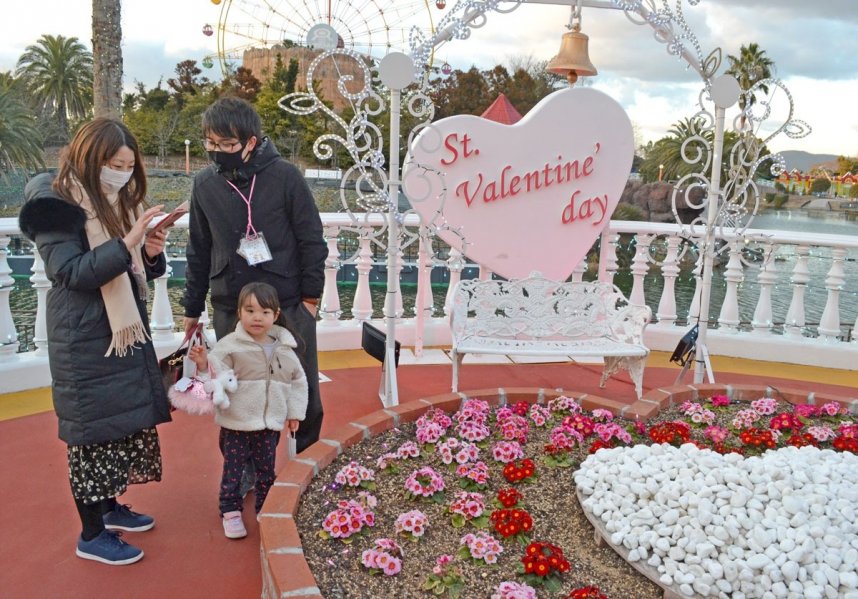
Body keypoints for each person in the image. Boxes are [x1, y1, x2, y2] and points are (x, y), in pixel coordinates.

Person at [18, 118, 171, 565]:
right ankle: (90, 535)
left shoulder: (112, 202)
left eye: (127, 165)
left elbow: (126, 268)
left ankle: (108, 509)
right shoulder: (55, 203)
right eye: (113, 164)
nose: (121, 174)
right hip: (83, 338)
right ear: (89, 158)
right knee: (91, 437)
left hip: (115, 335)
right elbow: (72, 273)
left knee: (117, 428)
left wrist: (149, 253)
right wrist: (129, 242)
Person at [181, 96, 326, 456]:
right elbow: (199, 249)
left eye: (227, 145)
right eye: (210, 144)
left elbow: (311, 238)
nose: (217, 152)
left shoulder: (286, 176)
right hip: (231, 305)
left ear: (250, 142)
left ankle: (306, 463)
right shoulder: (204, 185)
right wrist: (191, 307)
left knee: (299, 385)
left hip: (287, 305)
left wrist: (310, 300)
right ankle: (241, 472)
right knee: (236, 392)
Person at [188, 282, 308, 538]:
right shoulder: (231, 345)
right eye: (250, 310)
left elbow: (298, 381)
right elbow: (215, 372)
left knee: (267, 470)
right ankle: (230, 511)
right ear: (239, 313)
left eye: (265, 312)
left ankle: (265, 509)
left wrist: (295, 412)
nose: (257, 317)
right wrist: (202, 363)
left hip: (268, 424)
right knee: (234, 469)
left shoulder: (285, 349)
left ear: (275, 315)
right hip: (237, 423)